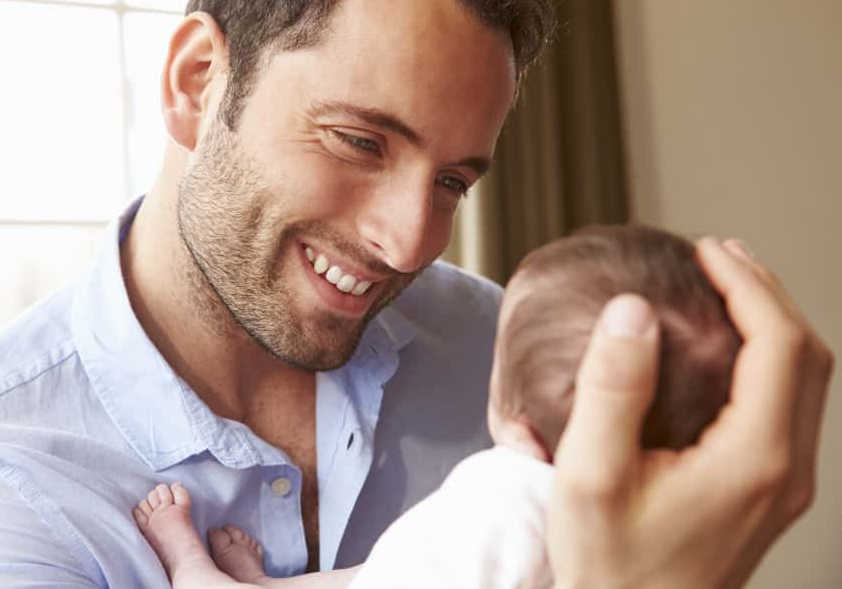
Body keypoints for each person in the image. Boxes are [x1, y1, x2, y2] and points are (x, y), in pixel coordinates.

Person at [0, 0, 833, 587]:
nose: (411, 241)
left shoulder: (520, 362)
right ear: (197, 82)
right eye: (360, 141)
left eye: (453, 182)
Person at [126, 225, 741, 589]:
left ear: (517, 420)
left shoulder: (504, 494)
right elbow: (394, 574)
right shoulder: (665, 528)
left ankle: (190, 564)